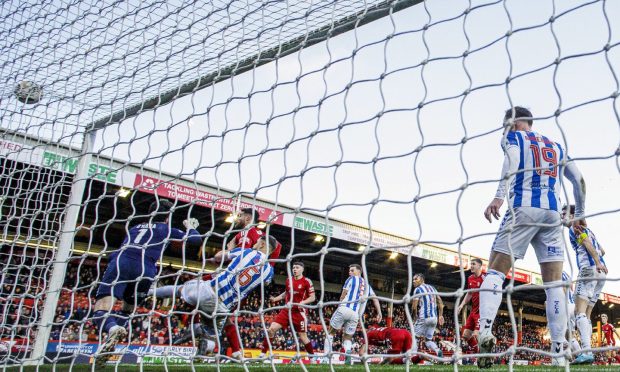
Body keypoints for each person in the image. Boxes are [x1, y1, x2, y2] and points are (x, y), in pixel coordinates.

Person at [479, 106, 586, 368]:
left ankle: (484, 332)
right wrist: (580, 213)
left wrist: (499, 195)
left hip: (522, 211)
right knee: (553, 284)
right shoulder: (556, 146)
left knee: (495, 271)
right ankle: (559, 351)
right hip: (551, 214)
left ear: (514, 123)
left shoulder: (513, 138)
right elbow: (579, 180)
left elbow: (512, 161)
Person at [93, 199, 202, 367]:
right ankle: (110, 342)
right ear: (167, 217)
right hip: (146, 270)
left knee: (102, 306)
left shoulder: (134, 228)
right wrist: (190, 227)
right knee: (128, 308)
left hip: (122, 262)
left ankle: (112, 329)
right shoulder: (166, 229)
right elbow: (195, 240)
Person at [149, 235, 277, 360]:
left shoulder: (247, 252)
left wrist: (228, 249)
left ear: (262, 244)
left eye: (257, 242)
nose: (255, 244)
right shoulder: (269, 272)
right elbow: (265, 283)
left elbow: (219, 256)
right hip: (224, 306)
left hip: (211, 290)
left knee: (179, 289)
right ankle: (201, 348)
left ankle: (148, 292)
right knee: (211, 335)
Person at [563, 204, 607, 364]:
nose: (562, 218)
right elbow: (602, 250)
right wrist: (600, 261)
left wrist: (596, 261)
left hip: (588, 270)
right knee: (587, 315)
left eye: (564, 214)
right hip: (601, 274)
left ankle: (586, 351)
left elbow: (587, 243)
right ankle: (588, 352)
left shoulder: (575, 228)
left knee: (578, 311)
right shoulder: (590, 230)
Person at [324, 264, 382, 365]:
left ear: (359, 272)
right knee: (348, 338)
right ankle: (347, 357)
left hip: (344, 308)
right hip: (355, 314)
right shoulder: (367, 286)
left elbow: (343, 294)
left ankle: (325, 358)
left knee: (330, 333)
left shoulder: (351, 279)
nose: (349, 272)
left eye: (352, 270)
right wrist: (379, 312)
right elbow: (375, 299)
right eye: (349, 271)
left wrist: (340, 305)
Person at [259, 261, 316, 360]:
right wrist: (275, 299)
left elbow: (312, 298)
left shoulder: (307, 281)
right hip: (286, 310)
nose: (294, 269)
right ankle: (263, 354)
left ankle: (312, 357)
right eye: (293, 268)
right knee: (271, 329)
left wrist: (302, 303)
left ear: (302, 269)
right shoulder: (288, 280)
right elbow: (286, 293)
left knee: (303, 336)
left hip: (299, 312)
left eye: (297, 268)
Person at [411, 273, 444, 363]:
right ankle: (438, 351)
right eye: (413, 279)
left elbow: (414, 307)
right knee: (428, 340)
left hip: (424, 317)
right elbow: (440, 302)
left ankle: (413, 357)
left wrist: (414, 317)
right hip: (434, 318)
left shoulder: (418, 289)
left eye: (416, 279)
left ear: (422, 280)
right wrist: (441, 315)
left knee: (414, 337)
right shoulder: (432, 288)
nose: (413, 281)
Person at [456, 258, 485, 354]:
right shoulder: (470, 278)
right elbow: (469, 293)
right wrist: (461, 304)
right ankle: (477, 352)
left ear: (480, 266)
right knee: (466, 335)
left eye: (473, 264)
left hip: (482, 312)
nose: (471, 266)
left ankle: (486, 356)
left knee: (477, 334)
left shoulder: (485, 278)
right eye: (471, 264)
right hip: (473, 311)